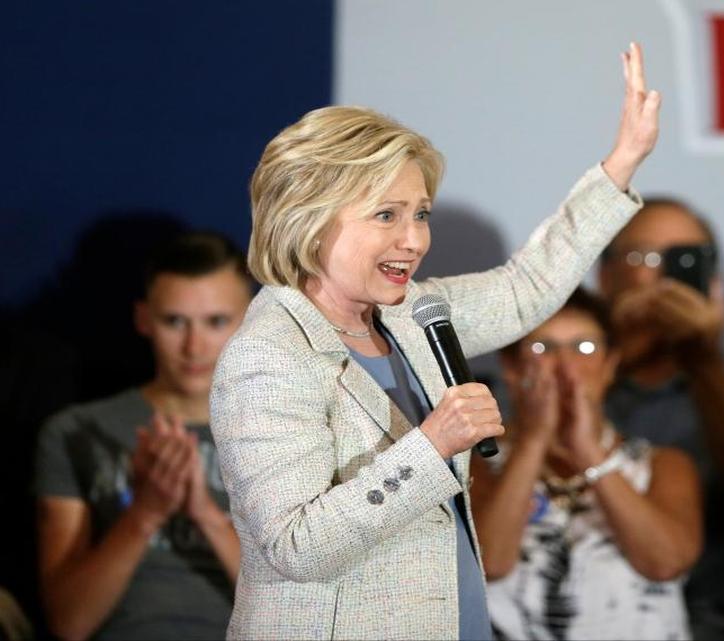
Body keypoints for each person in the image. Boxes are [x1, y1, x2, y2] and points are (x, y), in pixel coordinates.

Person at [208, 43, 659, 640]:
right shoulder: (269, 354)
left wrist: (621, 164)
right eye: (386, 216)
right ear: (309, 219)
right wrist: (432, 445)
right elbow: (298, 548)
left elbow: (525, 288)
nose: (414, 240)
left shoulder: (409, 316)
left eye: (420, 214)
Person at [34, 231, 250, 640]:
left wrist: (205, 512)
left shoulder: (287, 431)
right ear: (144, 320)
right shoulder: (76, 432)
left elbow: (305, 614)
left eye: (216, 322)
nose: (194, 346)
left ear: (249, 319)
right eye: (174, 322)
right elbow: (69, 623)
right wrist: (144, 514)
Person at [597, 197, 724, 640]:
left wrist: (703, 359)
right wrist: (612, 355)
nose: (663, 275)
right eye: (644, 256)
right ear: (605, 277)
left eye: (684, 260)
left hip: (706, 620)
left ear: (714, 284)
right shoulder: (564, 371)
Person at [471, 288, 702, 640]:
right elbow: (490, 563)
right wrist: (533, 440)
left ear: (610, 365)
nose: (565, 367)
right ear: (512, 368)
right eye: (542, 348)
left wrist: (588, 451)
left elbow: (665, 563)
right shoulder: (478, 464)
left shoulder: (663, 464)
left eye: (585, 348)